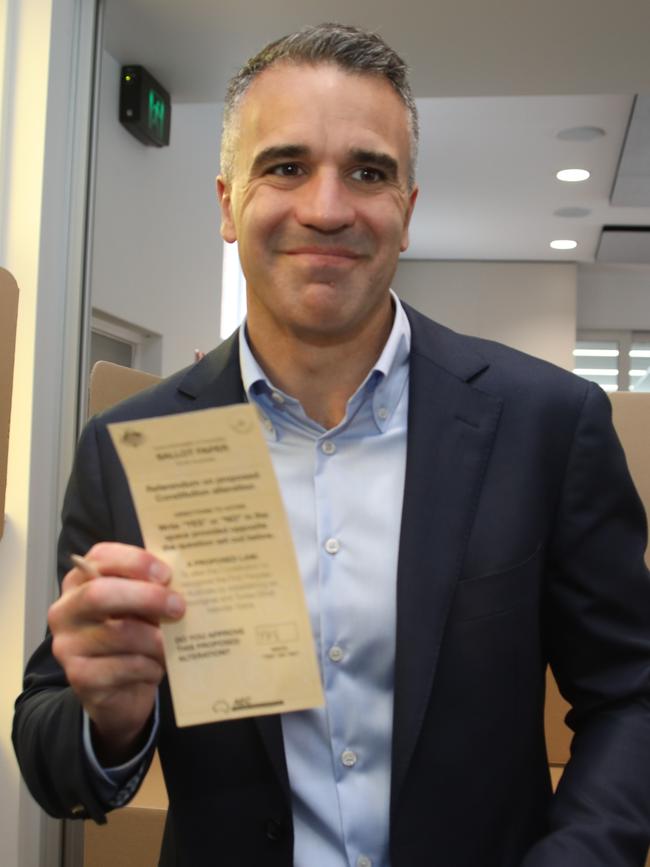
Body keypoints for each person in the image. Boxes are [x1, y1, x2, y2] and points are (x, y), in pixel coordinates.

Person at [13, 22, 650, 867]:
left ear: (407, 211)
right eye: (284, 166)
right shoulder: (133, 446)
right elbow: (50, 745)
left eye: (368, 171)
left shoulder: (544, 423)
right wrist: (111, 716)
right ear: (227, 204)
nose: (326, 207)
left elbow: (630, 696)